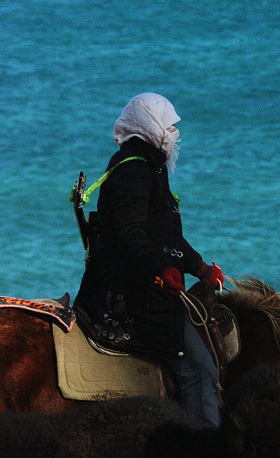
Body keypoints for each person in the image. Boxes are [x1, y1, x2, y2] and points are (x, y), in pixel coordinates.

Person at [74, 92, 224, 428]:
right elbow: (131, 235)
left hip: (143, 280)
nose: (174, 133)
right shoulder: (134, 174)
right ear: (149, 127)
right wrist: (162, 268)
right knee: (200, 372)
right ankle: (204, 455)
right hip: (130, 292)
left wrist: (199, 268)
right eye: (169, 126)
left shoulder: (149, 168)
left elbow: (167, 236)